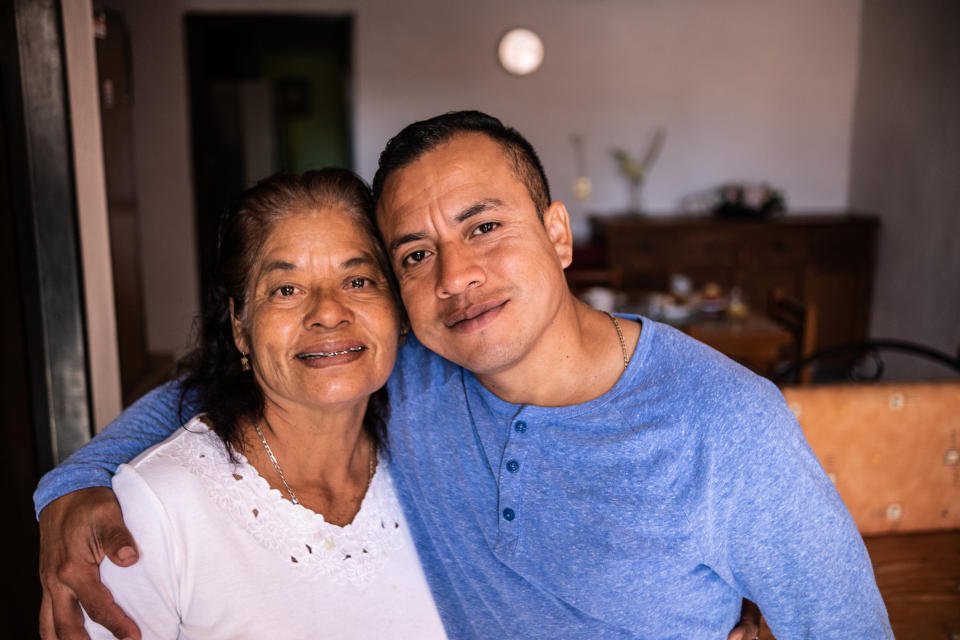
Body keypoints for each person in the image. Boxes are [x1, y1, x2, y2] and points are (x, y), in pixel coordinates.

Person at [36, 111, 891, 639]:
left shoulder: (730, 424)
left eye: (484, 228)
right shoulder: (406, 371)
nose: (455, 277)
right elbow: (225, 385)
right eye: (416, 253)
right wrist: (72, 485)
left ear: (559, 234)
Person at [76, 169, 447, 638]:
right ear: (239, 327)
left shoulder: (434, 471)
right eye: (286, 290)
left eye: (357, 281)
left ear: (397, 311)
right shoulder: (159, 508)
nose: (329, 312)